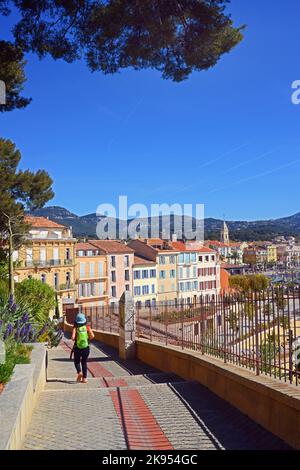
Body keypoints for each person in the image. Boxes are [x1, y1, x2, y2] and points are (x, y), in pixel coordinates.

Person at [71, 313, 95, 384]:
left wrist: (76, 338)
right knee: (84, 363)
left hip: (77, 348)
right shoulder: (87, 327)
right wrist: (87, 339)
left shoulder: (75, 328)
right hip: (86, 348)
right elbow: (92, 336)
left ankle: (79, 372)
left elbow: (72, 338)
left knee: (77, 361)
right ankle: (85, 379)